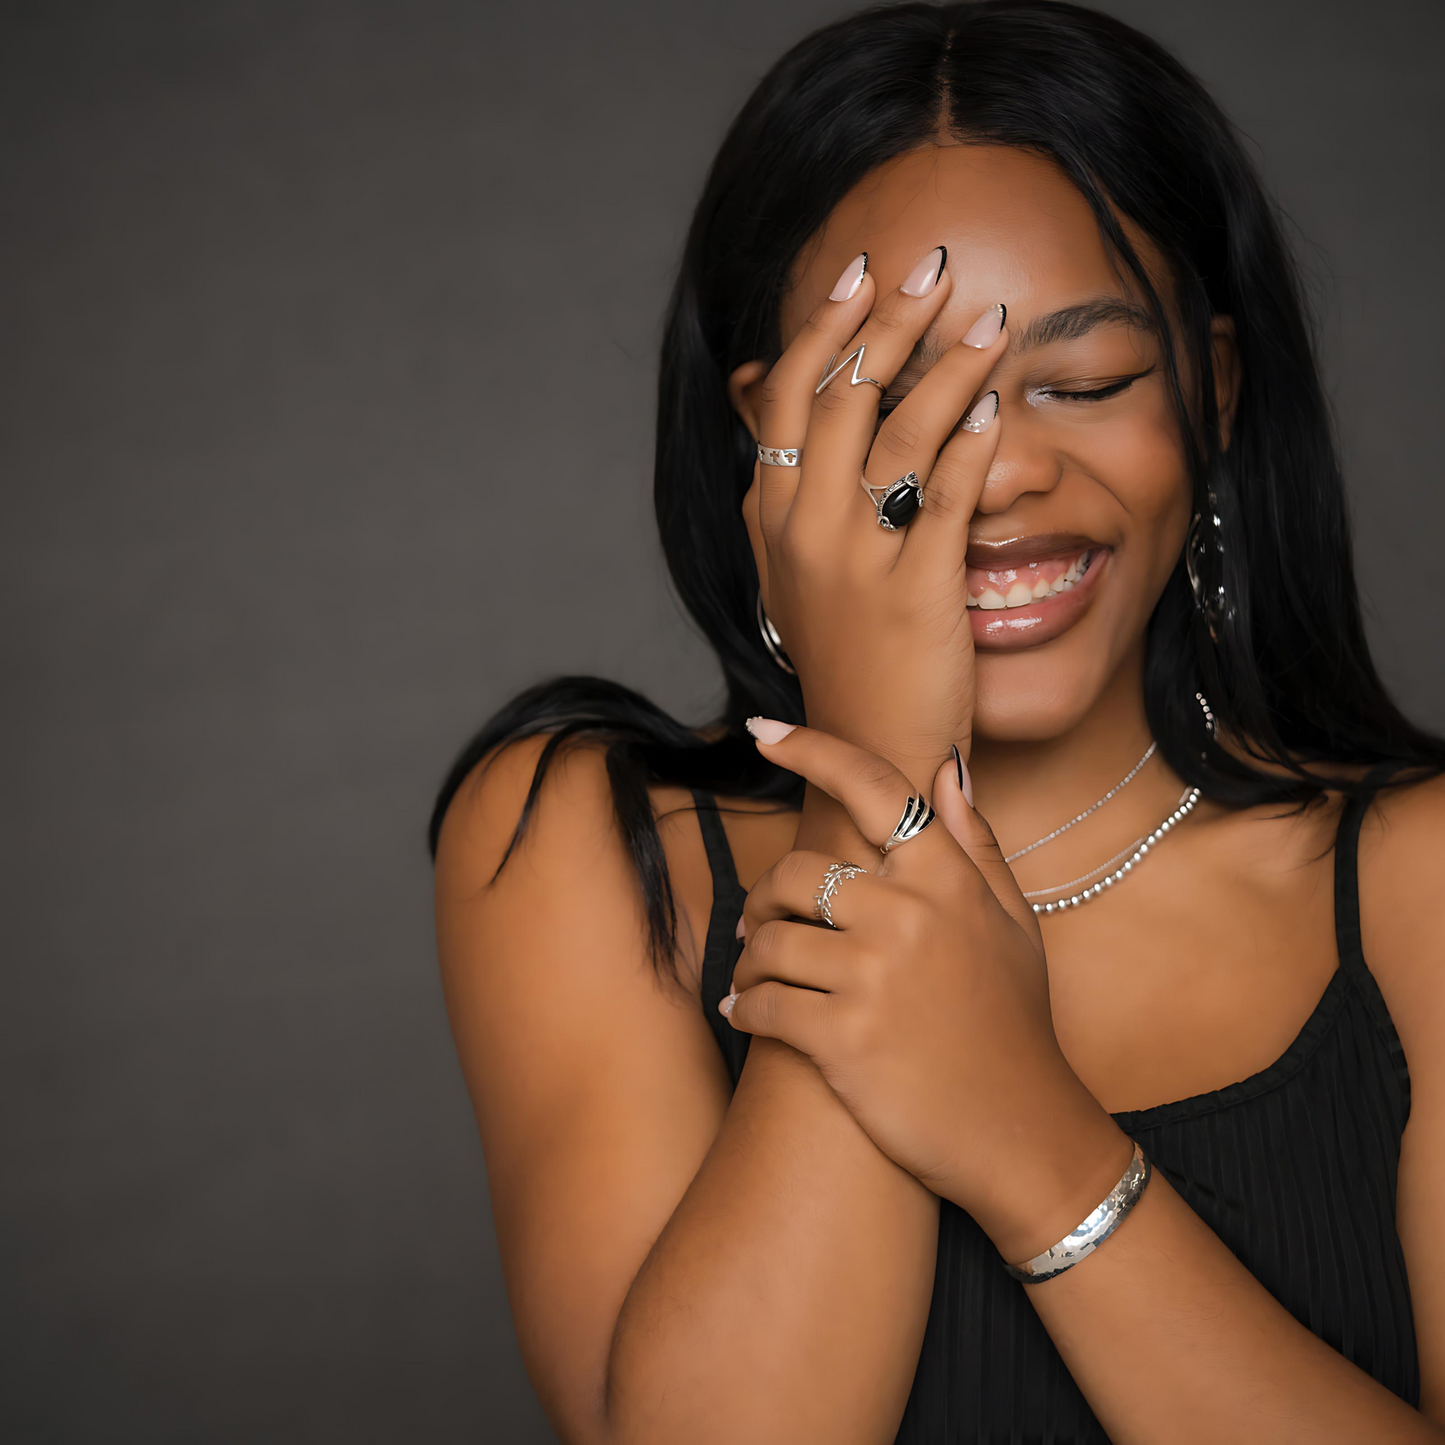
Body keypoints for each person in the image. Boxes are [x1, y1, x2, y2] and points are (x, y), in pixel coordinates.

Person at [428, 3, 1445, 1440]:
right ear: (770, 444)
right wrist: (881, 779)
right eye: (902, 411)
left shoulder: (1419, 875)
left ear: (1212, 393)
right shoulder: (585, 844)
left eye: (1084, 384)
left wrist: (1028, 1136)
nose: (1005, 472)